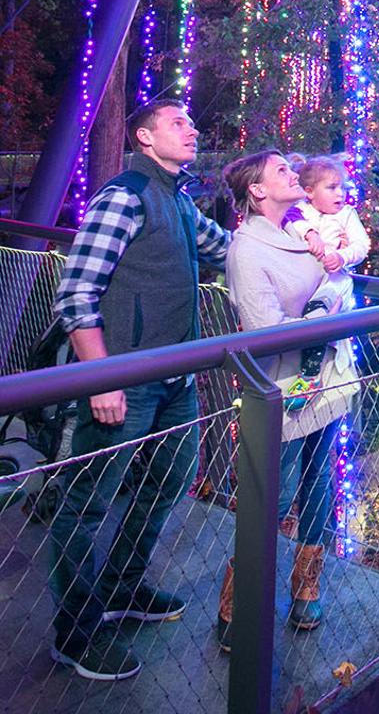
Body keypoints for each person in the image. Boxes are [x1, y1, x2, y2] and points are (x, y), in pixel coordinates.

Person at [48, 99, 231, 682]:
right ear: (145, 139)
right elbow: (76, 293)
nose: (192, 129)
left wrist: (312, 238)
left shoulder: (178, 200)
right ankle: (75, 635)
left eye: (192, 122)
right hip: (124, 380)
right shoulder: (125, 195)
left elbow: (230, 250)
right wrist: (101, 377)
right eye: (178, 123)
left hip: (176, 378)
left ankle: (122, 588)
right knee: (86, 503)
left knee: (166, 483)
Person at [218, 150, 358, 648]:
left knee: (320, 482)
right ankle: (239, 601)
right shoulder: (247, 250)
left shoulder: (300, 231)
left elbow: (337, 277)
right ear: (257, 191)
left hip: (328, 378)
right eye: (281, 170)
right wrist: (323, 313)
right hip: (285, 389)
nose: (293, 174)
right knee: (275, 494)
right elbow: (266, 331)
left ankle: (306, 584)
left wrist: (330, 297)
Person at [281, 155, 370, 407]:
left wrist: (341, 257)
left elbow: (362, 245)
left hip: (334, 282)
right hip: (305, 281)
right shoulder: (300, 211)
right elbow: (289, 217)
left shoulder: (346, 215)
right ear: (309, 192)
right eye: (331, 188)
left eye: (341, 187)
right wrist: (310, 233)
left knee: (317, 313)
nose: (340, 193)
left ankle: (310, 377)